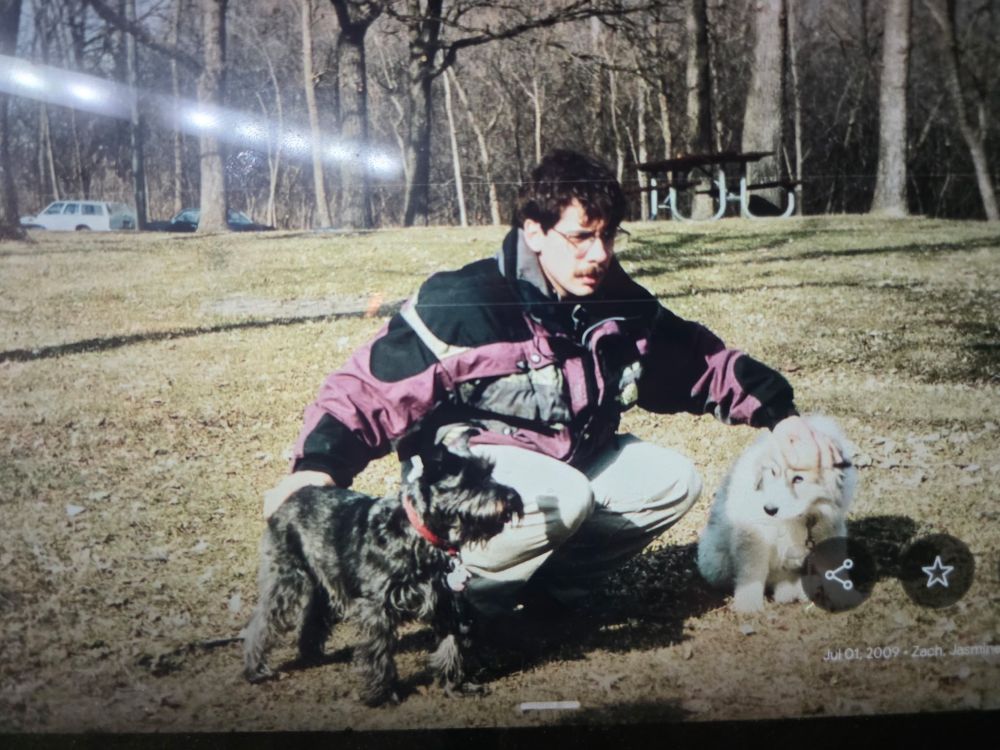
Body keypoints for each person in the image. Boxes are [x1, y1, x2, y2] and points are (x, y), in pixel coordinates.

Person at [264, 149, 840, 621]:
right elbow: (366, 388)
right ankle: (461, 600)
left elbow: (699, 361)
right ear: (534, 232)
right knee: (567, 496)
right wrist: (316, 468)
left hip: (568, 463)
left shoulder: (616, 301)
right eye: (582, 237)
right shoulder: (466, 304)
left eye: (610, 236)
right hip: (471, 475)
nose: (600, 254)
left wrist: (780, 414)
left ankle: (549, 595)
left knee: (672, 480)